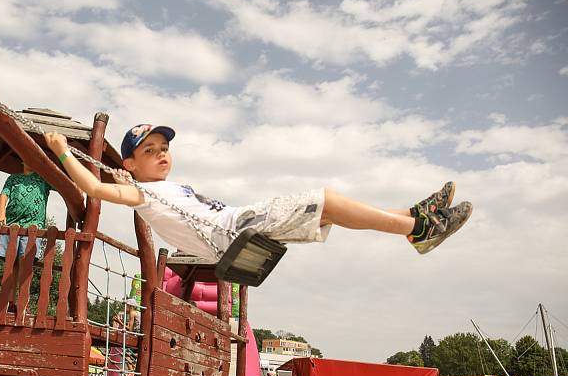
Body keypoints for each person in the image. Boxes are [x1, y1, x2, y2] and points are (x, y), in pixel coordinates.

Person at [43, 124, 472, 261]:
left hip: (236, 224)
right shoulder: (142, 194)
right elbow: (94, 186)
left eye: (165, 148)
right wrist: (63, 152)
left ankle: (412, 216)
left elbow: (118, 185)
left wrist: (128, 181)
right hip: (234, 230)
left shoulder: (157, 188)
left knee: (331, 210)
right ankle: (417, 227)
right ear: (131, 164)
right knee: (327, 198)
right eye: (148, 151)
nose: (161, 155)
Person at [0, 159, 52, 296]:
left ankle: (23, 299)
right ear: (22, 161)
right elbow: (4, 194)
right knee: (11, 262)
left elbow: (62, 183)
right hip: (13, 224)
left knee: (26, 262)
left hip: (33, 226)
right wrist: (1, 213)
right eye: (27, 157)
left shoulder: (44, 179)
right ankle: (10, 299)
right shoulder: (13, 178)